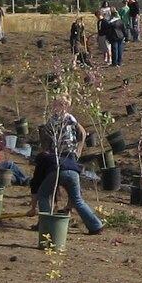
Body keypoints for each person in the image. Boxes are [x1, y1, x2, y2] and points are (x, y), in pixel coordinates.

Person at [36, 97, 104, 234]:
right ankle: (96, 226)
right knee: (77, 198)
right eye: (54, 104)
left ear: (64, 106)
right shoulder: (57, 119)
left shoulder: (67, 119)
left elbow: (82, 133)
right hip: (65, 160)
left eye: (57, 104)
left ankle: (46, 224)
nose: (55, 106)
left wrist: (77, 151)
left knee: (43, 194)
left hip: (63, 159)